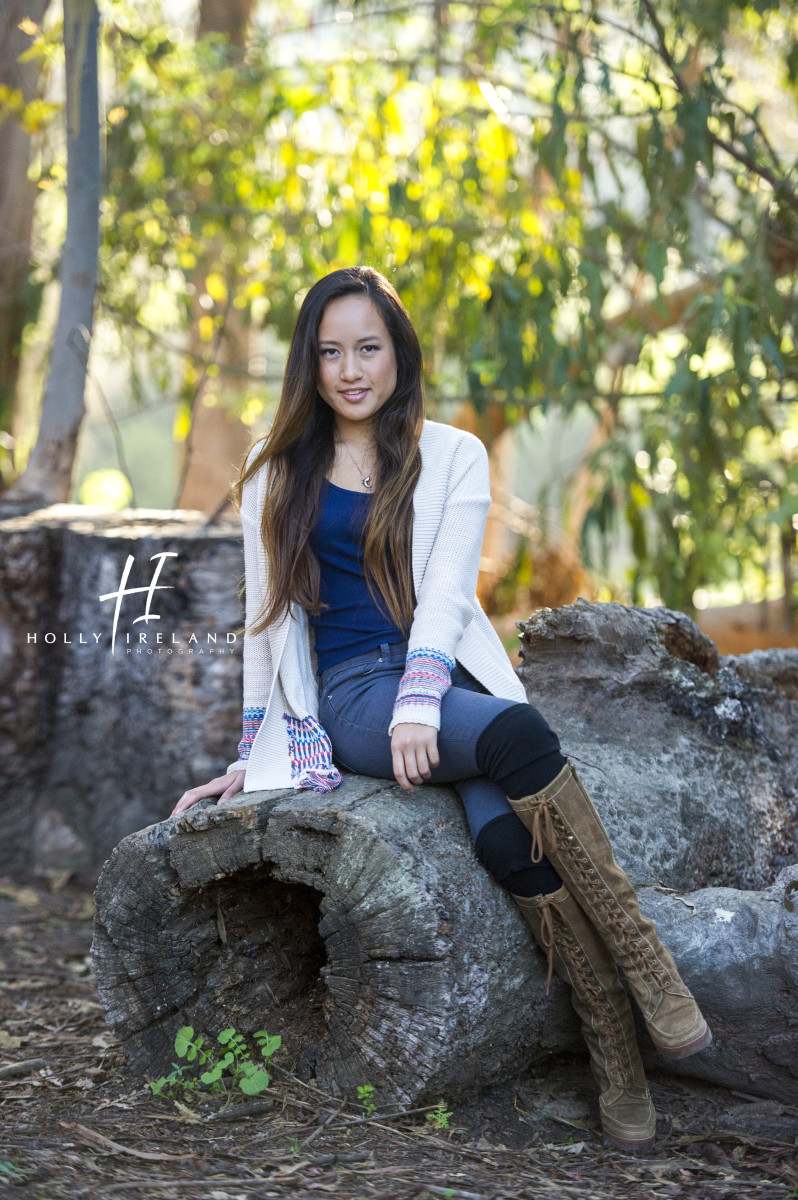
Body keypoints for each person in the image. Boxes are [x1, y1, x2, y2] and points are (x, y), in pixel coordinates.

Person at [171, 265, 712, 1154]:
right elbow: (264, 629)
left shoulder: (453, 453)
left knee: (507, 841)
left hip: (438, 672)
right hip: (348, 696)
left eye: (368, 348)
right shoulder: (272, 475)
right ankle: (650, 970)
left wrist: (424, 698)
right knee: (521, 735)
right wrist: (255, 755)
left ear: (399, 353)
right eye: (330, 351)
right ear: (308, 364)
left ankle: (614, 1046)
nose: (350, 369)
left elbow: (450, 596)